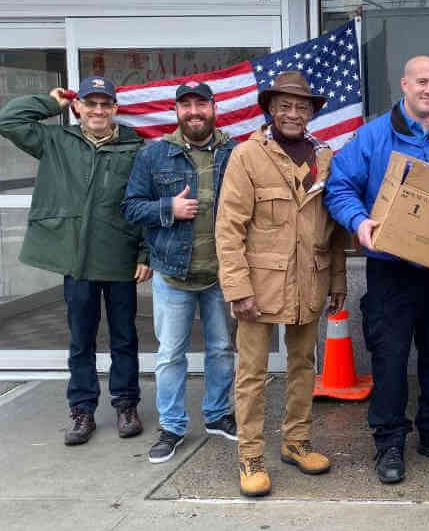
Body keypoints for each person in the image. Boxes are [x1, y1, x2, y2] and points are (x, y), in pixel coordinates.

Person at [325, 55, 429, 484]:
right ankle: (389, 441)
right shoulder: (374, 137)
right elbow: (340, 185)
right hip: (390, 271)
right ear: (404, 84)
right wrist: (359, 222)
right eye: (421, 81)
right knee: (390, 358)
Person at [215, 71, 348, 497]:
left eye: (302, 107)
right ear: (271, 109)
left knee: (303, 366)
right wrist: (237, 289)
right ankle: (250, 455)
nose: (293, 113)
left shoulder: (324, 157)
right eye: (285, 106)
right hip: (259, 286)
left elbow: (334, 227)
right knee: (251, 373)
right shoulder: (247, 156)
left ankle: (296, 441)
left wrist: (338, 278)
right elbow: (229, 228)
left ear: (311, 113)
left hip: (311, 280)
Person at [0, 76, 151, 446]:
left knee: (124, 337)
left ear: (115, 108)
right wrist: (52, 104)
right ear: (78, 106)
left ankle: (126, 404)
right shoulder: (56, 141)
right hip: (76, 260)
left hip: (119, 256)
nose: (98, 110)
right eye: (90, 103)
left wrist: (145, 253)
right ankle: (82, 410)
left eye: (105, 104)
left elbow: (147, 199)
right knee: (81, 340)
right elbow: (8, 120)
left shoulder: (135, 148)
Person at [122, 81, 237, 463]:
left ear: (213, 107)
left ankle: (218, 415)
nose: (193, 112)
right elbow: (131, 207)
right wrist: (166, 208)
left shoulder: (235, 152)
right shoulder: (154, 155)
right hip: (173, 274)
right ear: (176, 112)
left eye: (200, 104)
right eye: (185, 105)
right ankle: (172, 426)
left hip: (221, 274)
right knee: (171, 355)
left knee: (221, 349)